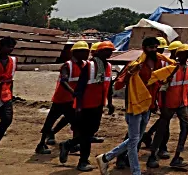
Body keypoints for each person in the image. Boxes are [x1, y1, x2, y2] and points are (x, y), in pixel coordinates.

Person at [95, 36, 177, 175]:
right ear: (144, 48)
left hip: (147, 105)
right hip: (134, 106)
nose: (155, 50)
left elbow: (154, 83)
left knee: (136, 139)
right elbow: (119, 84)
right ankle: (136, 171)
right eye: (152, 47)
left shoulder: (158, 63)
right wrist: (130, 73)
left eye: (157, 47)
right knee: (134, 141)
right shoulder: (135, 63)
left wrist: (166, 79)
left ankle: (106, 157)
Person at [60, 41, 115, 172]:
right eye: (106, 50)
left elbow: (108, 86)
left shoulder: (107, 66)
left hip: (98, 104)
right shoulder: (89, 66)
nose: (109, 53)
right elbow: (79, 88)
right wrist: (78, 106)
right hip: (86, 105)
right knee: (86, 134)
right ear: (98, 52)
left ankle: (68, 144)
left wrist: (110, 103)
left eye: (110, 50)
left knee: (90, 132)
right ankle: (83, 161)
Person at [37, 40, 89, 155]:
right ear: (75, 52)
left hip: (71, 99)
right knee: (54, 121)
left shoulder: (84, 65)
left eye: (87, 51)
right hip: (62, 99)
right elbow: (63, 81)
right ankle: (42, 144)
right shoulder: (67, 65)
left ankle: (45, 143)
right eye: (83, 51)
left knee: (71, 121)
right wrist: (73, 92)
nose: (86, 54)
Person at [148, 43, 188, 171]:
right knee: (162, 129)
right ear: (178, 55)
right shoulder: (170, 68)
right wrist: (160, 104)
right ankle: (152, 155)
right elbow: (160, 86)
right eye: (185, 53)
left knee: (185, 126)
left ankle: (177, 156)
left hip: (181, 103)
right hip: (169, 103)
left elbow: (185, 86)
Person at [140, 37, 173, 153]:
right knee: (137, 129)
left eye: (159, 49)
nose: (157, 51)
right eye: (153, 48)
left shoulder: (164, 62)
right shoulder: (142, 63)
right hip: (146, 99)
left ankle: (149, 138)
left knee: (163, 122)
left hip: (157, 98)